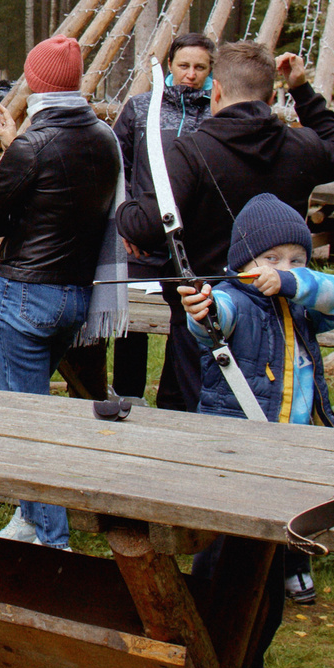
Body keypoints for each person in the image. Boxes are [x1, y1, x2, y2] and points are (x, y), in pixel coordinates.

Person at [144, 194, 334, 668]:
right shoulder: (236, 300)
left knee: (265, 597)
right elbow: (214, 320)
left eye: (295, 258)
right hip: (234, 467)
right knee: (214, 586)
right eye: (270, 258)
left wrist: (292, 283)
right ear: (243, 262)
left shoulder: (303, 303)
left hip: (288, 470)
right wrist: (203, 310)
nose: (281, 269)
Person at [112, 40, 334, 414]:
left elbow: (144, 226)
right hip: (278, 314)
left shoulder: (191, 151)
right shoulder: (301, 145)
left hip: (204, 312)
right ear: (272, 96)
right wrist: (302, 89)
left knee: (193, 417)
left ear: (217, 90)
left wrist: (126, 212)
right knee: (278, 409)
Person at [0, 34, 125, 549]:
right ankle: (30, 517)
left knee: (26, 423)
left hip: (26, 295)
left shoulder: (34, 145)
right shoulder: (105, 138)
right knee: (35, 411)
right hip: (78, 296)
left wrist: (12, 154)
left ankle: (53, 540)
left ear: (34, 81)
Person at [109, 32, 216, 403]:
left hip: (194, 238)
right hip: (144, 234)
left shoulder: (216, 111)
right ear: (170, 65)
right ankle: (127, 395)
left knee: (186, 321)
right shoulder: (141, 107)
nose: (191, 74)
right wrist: (125, 220)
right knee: (132, 323)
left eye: (200, 67)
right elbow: (116, 163)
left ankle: (175, 400)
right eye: (184, 65)